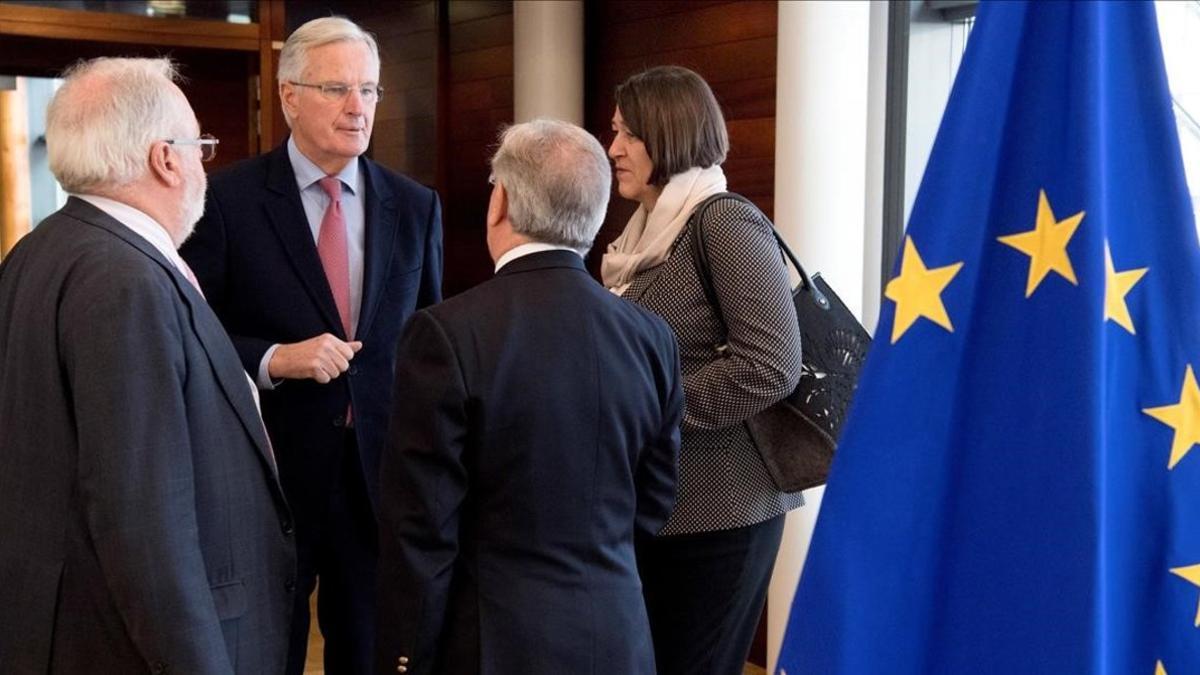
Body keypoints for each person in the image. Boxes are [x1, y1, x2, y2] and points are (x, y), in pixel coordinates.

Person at [0, 57, 294, 674]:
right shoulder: (127, 280)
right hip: (130, 644)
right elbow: (143, 516)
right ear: (165, 158)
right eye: (199, 147)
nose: (202, 164)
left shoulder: (39, 250)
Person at [179, 16, 443, 675]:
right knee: (267, 651)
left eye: (370, 90)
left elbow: (431, 346)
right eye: (337, 88)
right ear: (289, 94)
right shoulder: (225, 202)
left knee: (369, 650)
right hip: (268, 470)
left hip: (378, 477)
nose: (359, 106)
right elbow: (189, 333)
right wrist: (273, 360)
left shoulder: (415, 207)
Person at [375, 119, 683, 675]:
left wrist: (402, 658)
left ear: (502, 202)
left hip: (491, 643)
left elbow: (420, 530)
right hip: (617, 637)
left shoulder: (444, 334)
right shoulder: (651, 336)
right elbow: (654, 500)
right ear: (593, 217)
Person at [601, 65, 804, 674]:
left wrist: (651, 408)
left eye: (625, 135)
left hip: (726, 511)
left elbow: (771, 363)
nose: (612, 149)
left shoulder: (723, 221)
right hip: (662, 508)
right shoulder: (643, 234)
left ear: (667, 134)